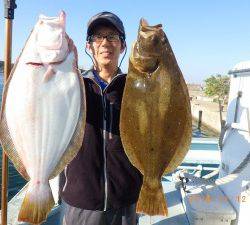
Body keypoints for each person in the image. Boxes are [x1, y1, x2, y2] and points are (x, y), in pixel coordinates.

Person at [59, 11, 143, 225]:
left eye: (112, 36)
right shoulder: (72, 84)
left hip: (126, 199)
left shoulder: (137, 88)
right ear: (89, 46)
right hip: (81, 200)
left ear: (123, 46)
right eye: (98, 36)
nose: (105, 42)